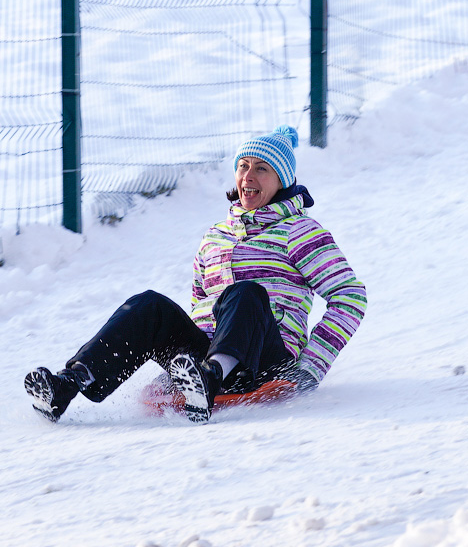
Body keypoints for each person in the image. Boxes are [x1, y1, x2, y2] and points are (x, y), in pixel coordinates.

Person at [25, 125, 367, 424]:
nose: (248, 176)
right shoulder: (215, 236)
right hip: (205, 359)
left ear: (282, 181)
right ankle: (68, 385)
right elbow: (201, 306)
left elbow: (350, 297)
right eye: (243, 166)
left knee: (245, 293)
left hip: (266, 359)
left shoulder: (300, 231)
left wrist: (311, 368)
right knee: (149, 305)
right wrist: (181, 367)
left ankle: (211, 376)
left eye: (262, 169)